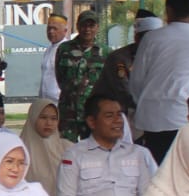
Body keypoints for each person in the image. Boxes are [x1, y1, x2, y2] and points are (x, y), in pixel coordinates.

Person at [128, 0, 189, 163]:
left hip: (154, 118)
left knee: (157, 173)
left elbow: (136, 82)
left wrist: (145, 101)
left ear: (169, 10)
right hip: (187, 116)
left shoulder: (151, 39)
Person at [56, 93, 158, 196]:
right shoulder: (74, 155)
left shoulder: (138, 153)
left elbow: (147, 194)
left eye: (119, 115)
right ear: (92, 122)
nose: (118, 121)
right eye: (109, 116)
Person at [55, 10, 106, 140]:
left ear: (97, 27)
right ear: (78, 26)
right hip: (68, 112)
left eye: (91, 26)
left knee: (92, 151)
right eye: (84, 25)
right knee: (65, 149)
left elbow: (107, 82)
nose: (87, 29)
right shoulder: (64, 49)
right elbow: (60, 77)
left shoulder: (105, 52)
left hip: (92, 113)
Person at [97, 11, 161, 109]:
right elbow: (125, 93)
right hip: (113, 115)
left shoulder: (158, 56)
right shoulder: (119, 58)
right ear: (137, 37)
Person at [19, 96, 72, 196]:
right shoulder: (19, 150)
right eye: (43, 117)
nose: (49, 123)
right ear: (33, 117)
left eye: (53, 118)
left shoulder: (67, 148)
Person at [38, 13, 70, 101]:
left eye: (55, 29)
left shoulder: (68, 50)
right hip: (45, 100)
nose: (51, 32)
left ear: (65, 31)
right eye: (49, 28)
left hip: (59, 101)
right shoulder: (48, 49)